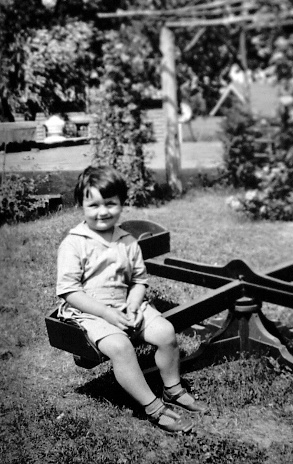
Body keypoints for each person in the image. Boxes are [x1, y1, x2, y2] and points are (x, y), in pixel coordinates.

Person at [56, 165, 207, 433]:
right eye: (93, 205)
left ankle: (172, 388)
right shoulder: (74, 243)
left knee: (165, 332)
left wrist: (135, 305)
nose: (102, 212)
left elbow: (139, 281)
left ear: (122, 204)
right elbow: (70, 291)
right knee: (120, 346)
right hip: (89, 309)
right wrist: (106, 313)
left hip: (126, 302)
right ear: (81, 205)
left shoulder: (127, 241)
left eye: (110, 204)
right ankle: (153, 407)